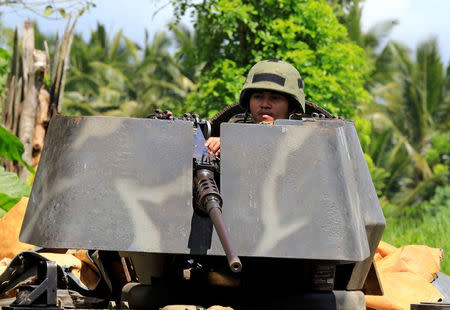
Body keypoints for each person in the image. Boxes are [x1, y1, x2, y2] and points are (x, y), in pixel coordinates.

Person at [205, 59, 306, 155]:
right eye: (258, 97)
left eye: (275, 98)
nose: (264, 104)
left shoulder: (309, 140)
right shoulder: (234, 129)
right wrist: (219, 147)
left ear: (292, 106)